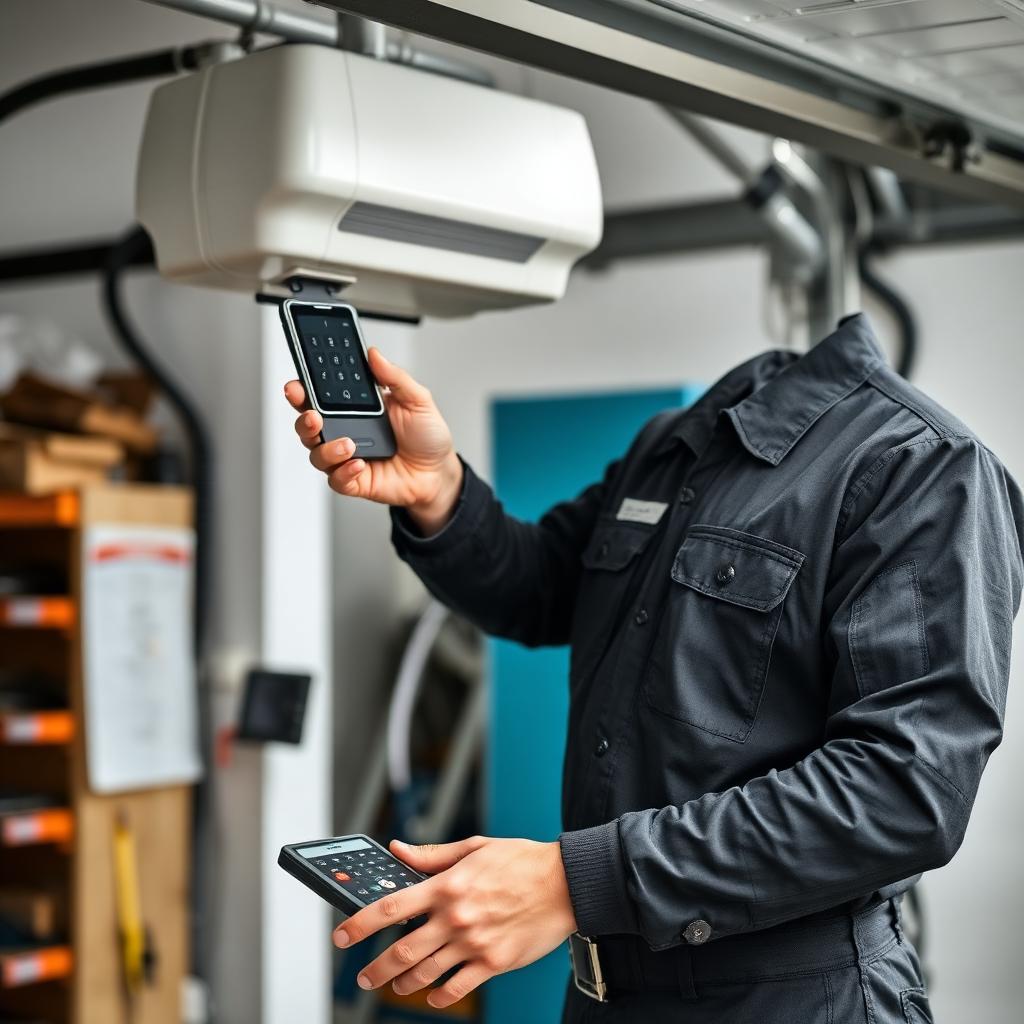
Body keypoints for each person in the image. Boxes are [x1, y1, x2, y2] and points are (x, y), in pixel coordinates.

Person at [285, 313, 1023, 1023]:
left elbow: (902, 790)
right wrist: (438, 490)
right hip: (608, 992)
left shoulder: (919, 465)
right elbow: (542, 584)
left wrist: (575, 882)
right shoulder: (676, 443)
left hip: (790, 1001)